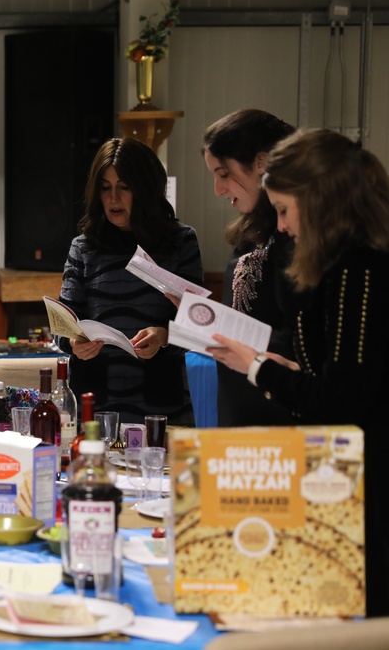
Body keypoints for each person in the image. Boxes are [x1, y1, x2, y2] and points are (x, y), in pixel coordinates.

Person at [209, 128, 389, 618]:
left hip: (363, 484)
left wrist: (260, 369)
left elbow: (343, 400)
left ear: (322, 202)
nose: (282, 227)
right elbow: (339, 375)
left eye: (285, 210)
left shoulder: (361, 269)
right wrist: (284, 369)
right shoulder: (340, 267)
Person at [58, 138, 203, 426]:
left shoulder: (180, 241)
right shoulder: (83, 246)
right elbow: (62, 326)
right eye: (105, 187)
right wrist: (74, 342)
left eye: (124, 187)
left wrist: (162, 336)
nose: (114, 198)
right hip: (94, 402)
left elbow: (196, 323)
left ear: (145, 188)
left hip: (160, 401)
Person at [202, 110, 299, 426]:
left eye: (224, 174)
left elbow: (298, 337)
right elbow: (249, 313)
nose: (218, 188)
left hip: (278, 409)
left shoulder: (292, 234)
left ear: (261, 163)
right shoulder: (251, 232)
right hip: (239, 405)